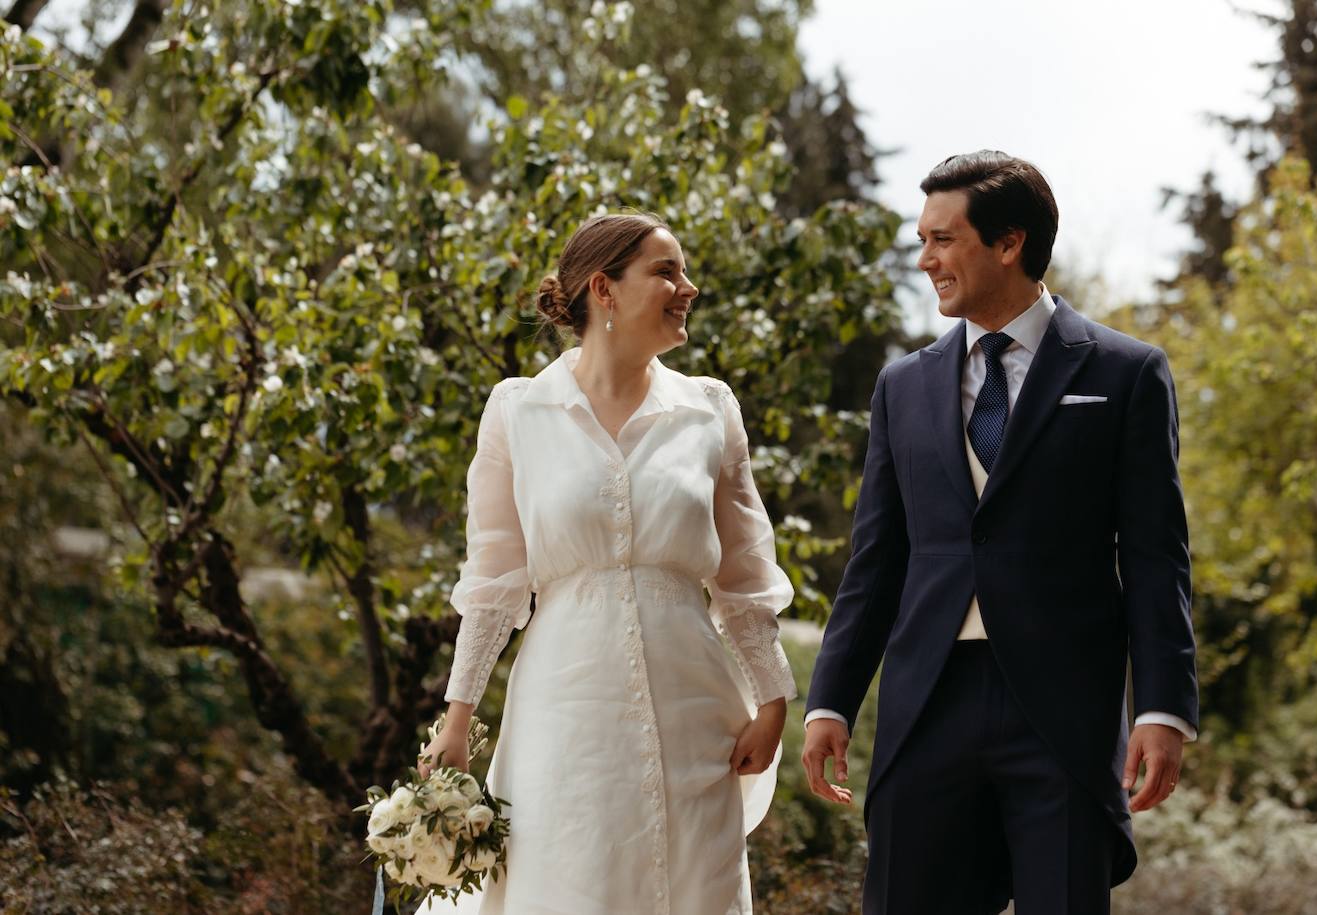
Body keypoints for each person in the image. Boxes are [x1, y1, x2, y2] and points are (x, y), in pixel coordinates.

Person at [802, 151, 1200, 914]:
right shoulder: (903, 385)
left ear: (1009, 242)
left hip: (1063, 713)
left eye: (943, 240)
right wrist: (831, 701)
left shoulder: (1126, 373)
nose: (925, 260)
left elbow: (1156, 557)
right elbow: (876, 560)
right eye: (923, 239)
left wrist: (1161, 707)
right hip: (926, 705)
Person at [417, 212, 797, 915]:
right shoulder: (517, 411)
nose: (688, 287)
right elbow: (495, 584)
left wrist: (774, 700)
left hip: (697, 715)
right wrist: (456, 718)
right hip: (563, 710)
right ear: (604, 289)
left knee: (693, 885)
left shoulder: (710, 409)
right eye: (666, 272)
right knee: (568, 879)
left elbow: (744, 575)